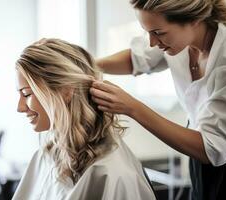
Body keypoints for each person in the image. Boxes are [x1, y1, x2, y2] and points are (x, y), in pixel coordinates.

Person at [90, 0, 226, 199]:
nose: (152, 42)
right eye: (147, 32)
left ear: (194, 19)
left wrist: (132, 108)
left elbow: (209, 147)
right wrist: (88, 65)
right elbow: (136, 59)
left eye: (158, 33)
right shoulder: (179, 41)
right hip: (200, 161)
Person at [13, 38, 156, 199]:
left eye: (26, 94)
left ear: (65, 90)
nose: (20, 107)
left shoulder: (111, 173)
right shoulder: (46, 156)